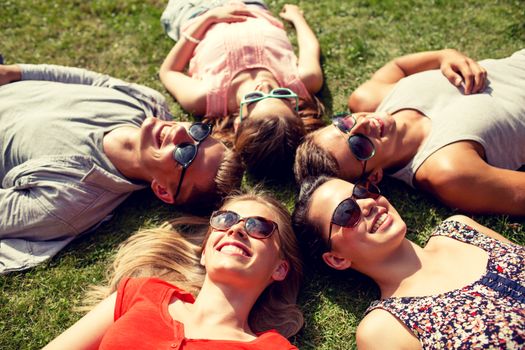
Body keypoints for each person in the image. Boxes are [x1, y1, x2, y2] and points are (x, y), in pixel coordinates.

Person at [0, 63, 244, 274]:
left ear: (162, 190)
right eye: (196, 133)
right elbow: (88, 80)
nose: (179, 131)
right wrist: (13, 73)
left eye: (184, 153)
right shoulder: (147, 102)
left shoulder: (66, 202)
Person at [43, 191, 303, 349]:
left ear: (279, 269)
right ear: (205, 252)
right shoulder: (141, 292)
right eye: (225, 220)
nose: (235, 230)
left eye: (258, 227)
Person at [292, 176, 525, 349]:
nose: (367, 204)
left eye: (362, 192)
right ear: (337, 258)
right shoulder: (384, 329)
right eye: (346, 212)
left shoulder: (460, 228)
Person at [294, 49, 525, 215]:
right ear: (374, 176)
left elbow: (399, 67)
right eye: (358, 146)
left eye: (344, 124)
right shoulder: (447, 171)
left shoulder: (368, 97)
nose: (362, 124)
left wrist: (446, 56)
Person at [159, 1, 324, 181]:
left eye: (254, 98)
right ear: (296, 108)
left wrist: (208, 18)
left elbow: (169, 71)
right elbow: (310, 47)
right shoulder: (304, 79)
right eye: (281, 94)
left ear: (238, 122)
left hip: (194, 11)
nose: (264, 86)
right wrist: (296, 17)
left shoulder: (205, 97)